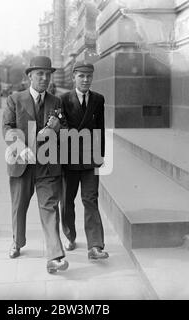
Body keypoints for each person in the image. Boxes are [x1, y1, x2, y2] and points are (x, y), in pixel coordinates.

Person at [2, 56, 69, 274]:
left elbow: (65, 131)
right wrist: (23, 147)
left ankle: (55, 256)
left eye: (47, 74)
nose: (44, 78)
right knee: (19, 206)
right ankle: (17, 242)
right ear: (30, 76)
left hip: (47, 166)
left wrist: (57, 128)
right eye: (39, 73)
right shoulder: (15, 99)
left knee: (50, 208)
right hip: (22, 163)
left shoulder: (56, 101)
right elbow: (7, 128)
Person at [59, 61, 109, 260]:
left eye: (89, 76)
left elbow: (101, 129)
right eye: (81, 76)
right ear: (73, 77)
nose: (86, 80)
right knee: (67, 202)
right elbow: (61, 127)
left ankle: (95, 246)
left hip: (90, 160)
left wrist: (101, 155)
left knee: (90, 200)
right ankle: (70, 236)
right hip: (69, 160)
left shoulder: (98, 99)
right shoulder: (63, 99)